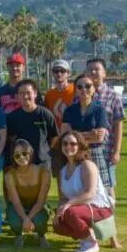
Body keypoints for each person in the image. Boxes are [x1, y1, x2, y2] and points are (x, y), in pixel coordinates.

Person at [53, 130, 115, 252]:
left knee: (70, 212)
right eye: (65, 143)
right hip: (78, 209)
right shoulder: (62, 171)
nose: (68, 146)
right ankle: (86, 234)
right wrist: (59, 210)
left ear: (80, 146)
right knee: (58, 224)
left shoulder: (87, 165)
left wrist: (68, 205)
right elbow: (63, 197)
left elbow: (90, 193)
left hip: (99, 208)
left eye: (73, 144)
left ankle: (91, 243)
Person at [87, 58, 125, 249]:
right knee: (88, 194)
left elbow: (118, 125)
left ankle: (112, 236)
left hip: (106, 153)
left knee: (109, 195)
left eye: (97, 69)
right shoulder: (81, 95)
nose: (93, 73)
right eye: (90, 70)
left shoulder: (112, 96)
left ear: (104, 73)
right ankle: (90, 234)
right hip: (86, 155)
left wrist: (116, 151)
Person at [61, 74, 111, 194]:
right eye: (80, 87)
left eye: (88, 86)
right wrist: (90, 134)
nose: (84, 89)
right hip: (74, 154)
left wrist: (75, 136)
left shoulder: (100, 110)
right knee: (76, 189)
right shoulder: (69, 111)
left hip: (95, 154)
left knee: (102, 191)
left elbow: (99, 138)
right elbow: (65, 135)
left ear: (94, 89)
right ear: (76, 90)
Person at [4, 139, 51, 249]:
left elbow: (41, 201)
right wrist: (25, 218)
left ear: (30, 152)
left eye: (24, 153)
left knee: (39, 220)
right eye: (17, 155)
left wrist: (28, 218)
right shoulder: (9, 176)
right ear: (13, 158)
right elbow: (16, 202)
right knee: (14, 220)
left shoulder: (43, 172)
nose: (21, 157)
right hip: (19, 206)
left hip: (37, 205)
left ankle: (41, 235)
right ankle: (18, 235)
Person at [6, 79, 58, 169]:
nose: (25, 96)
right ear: (17, 96)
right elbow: (11, 138)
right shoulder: (12, 117)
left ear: (35, 93)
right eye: (21, 93)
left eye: (28, 92)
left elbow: (54, 136)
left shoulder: (46, 114)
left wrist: (45, 151)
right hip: (21, 162)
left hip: (42, 162)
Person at [44, 59, 76, 187]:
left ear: (68, 73)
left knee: (76, 172)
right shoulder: (49, 94)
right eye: (56, 71)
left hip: (74, 138)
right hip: (57, 141)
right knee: (60, 174)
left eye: (62, 71)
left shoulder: (75, 90)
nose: (59, 74)